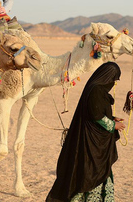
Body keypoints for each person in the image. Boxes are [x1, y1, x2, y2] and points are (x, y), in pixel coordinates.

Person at [46, 62, 126, 202]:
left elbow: (94, 112)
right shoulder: (96, 90)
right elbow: (96, 116)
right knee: (89, 173)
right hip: (90, 145)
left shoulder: (97, 90)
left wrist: (112, 118)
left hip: (96, 144)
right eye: (113, 79)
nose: (114, 83)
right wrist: (113, 125)